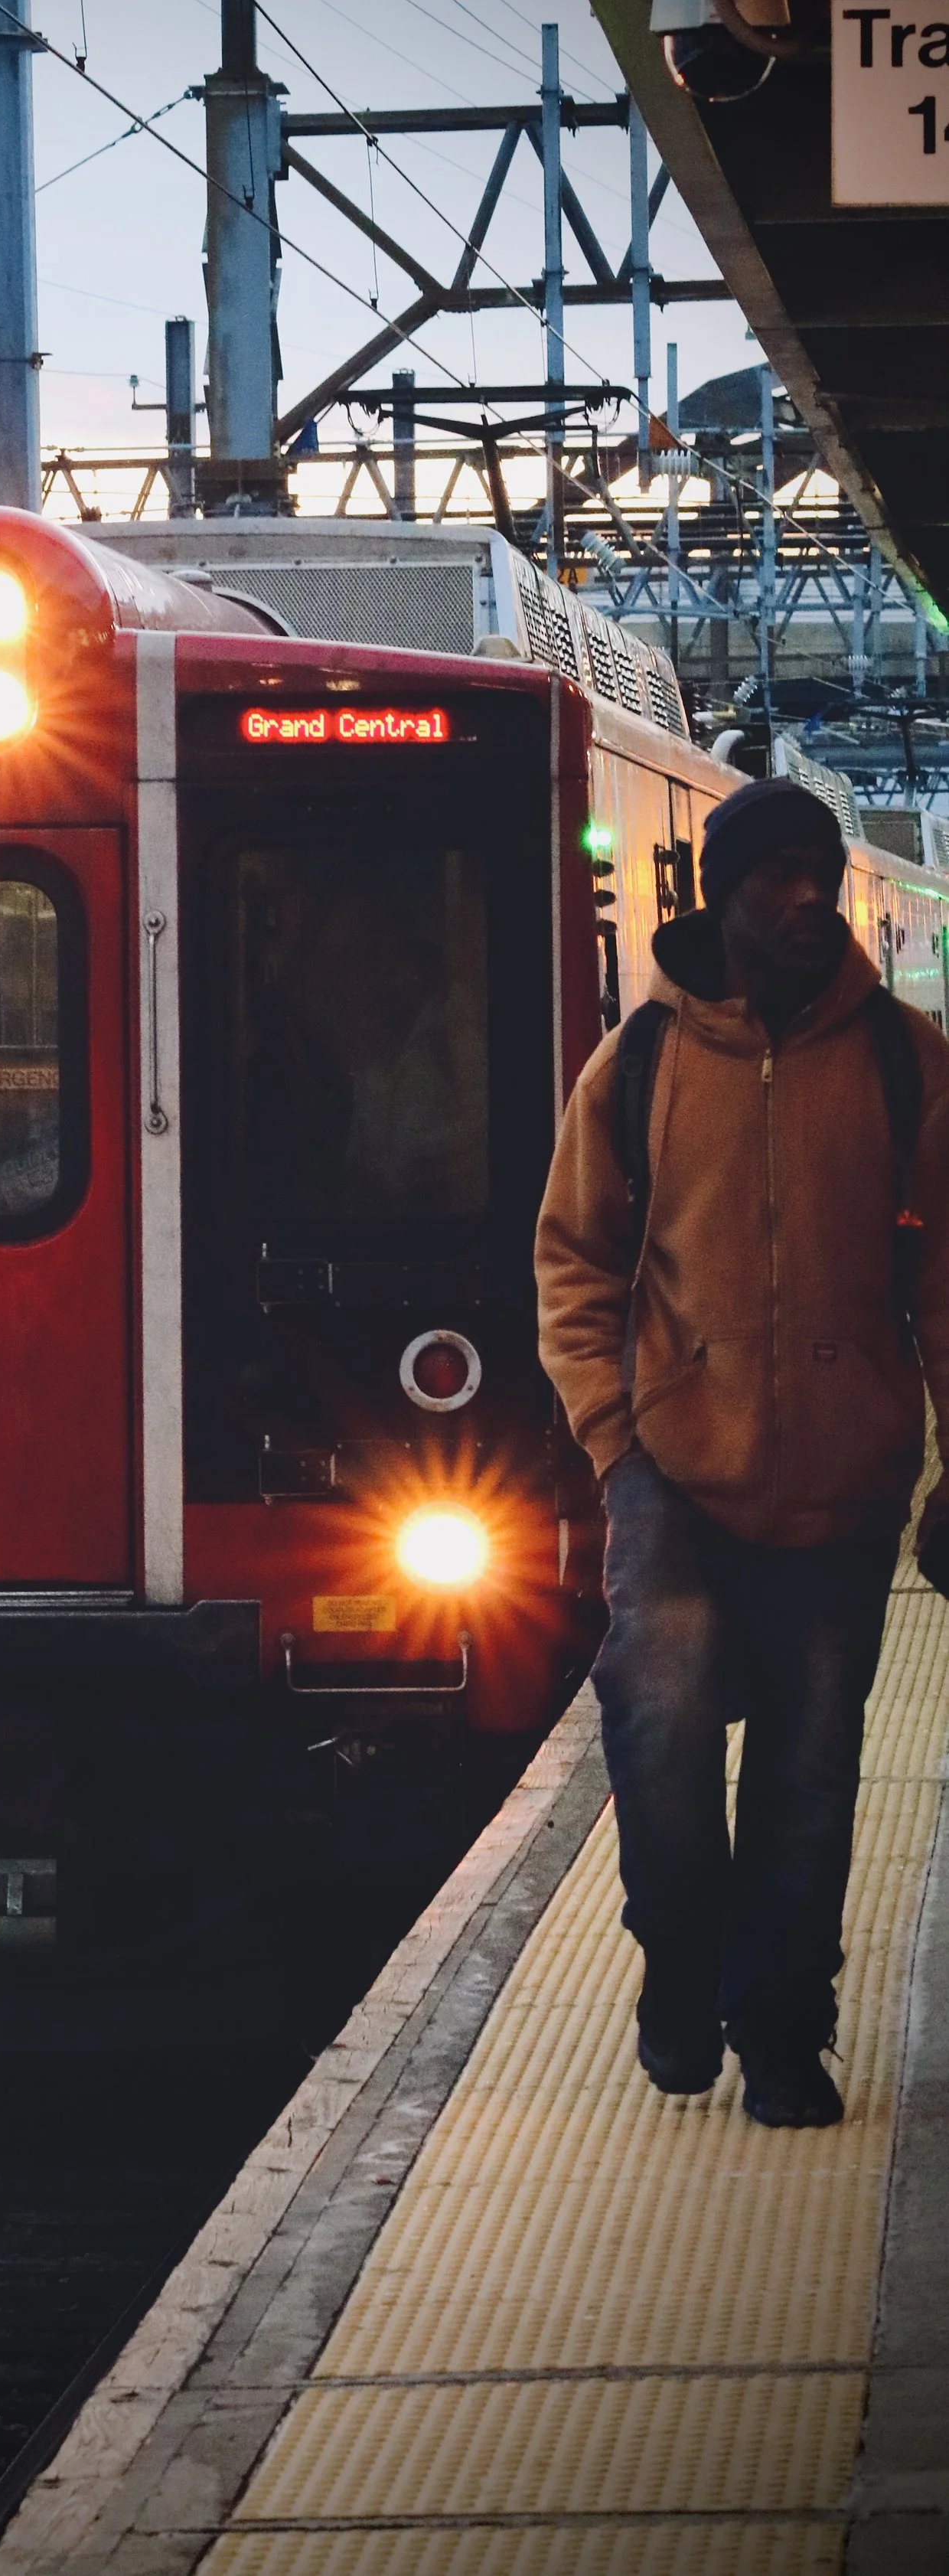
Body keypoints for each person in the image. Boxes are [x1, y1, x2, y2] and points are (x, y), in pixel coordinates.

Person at [536, 778, 949, 2126]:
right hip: (674, 1466)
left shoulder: (907, 1060)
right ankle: (679, 1965)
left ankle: (783, 2032)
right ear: (719, 892)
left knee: (812, 1766)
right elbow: (577, 1259)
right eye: (773, 875)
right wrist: (613, 1431)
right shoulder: (642, 1063)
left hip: (845, 1471)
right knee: (657, 1728)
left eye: (816, 872)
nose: (801, 897)